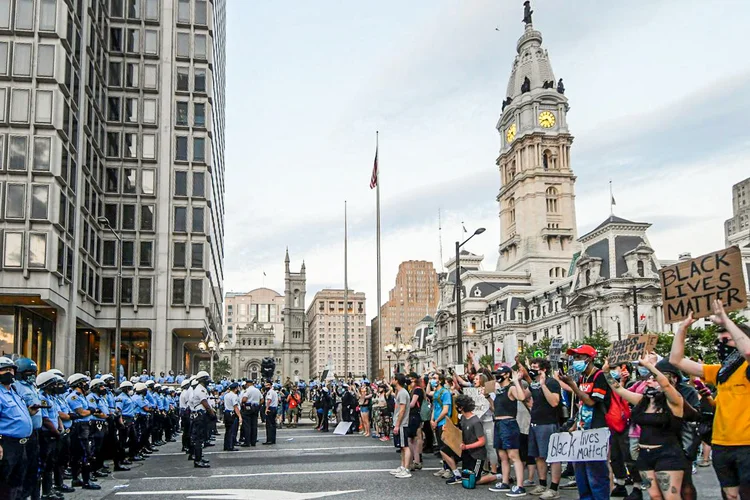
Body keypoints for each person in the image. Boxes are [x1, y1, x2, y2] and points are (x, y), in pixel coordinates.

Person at [670, 303, 750, 500]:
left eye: (727, 340)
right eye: (719, 340)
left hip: (747, 444)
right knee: (730, 496)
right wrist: (682, 328)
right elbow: (676, 360)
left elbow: (748, 352)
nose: (721, 345)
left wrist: (726, 320)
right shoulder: (720, 371)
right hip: (722, 444)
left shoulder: (747, 368)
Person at [603, 354, 686, 500]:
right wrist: (606, 372)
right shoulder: (644, 401)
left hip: (667, 454)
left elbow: (665, 385)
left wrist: (648, 365)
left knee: (671, 497)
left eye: (654, 379)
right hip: (645, 456)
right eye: (649, 379)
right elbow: (620, 390)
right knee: (654, 496)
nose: (649, 381)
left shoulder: (675, 401)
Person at [559, 345, 611, 500]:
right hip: (582, 431)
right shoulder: (583, 378)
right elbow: (582, 406)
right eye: (574, 357)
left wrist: (572, 386)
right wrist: (575, 425)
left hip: (596, 431)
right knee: (581, 475)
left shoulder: (600, 376)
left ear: (589, 359)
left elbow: (590, 401)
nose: (575, 361)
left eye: (579, 357)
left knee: (596, 475)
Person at [488, 366, 528, 497]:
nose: (497, 376)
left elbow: (522, 397)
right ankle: (505, 482)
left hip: (509, 423)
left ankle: (520, 486)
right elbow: (495, 409)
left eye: (499, 374)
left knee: (513, 455)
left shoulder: (511, 388)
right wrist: (488, 397)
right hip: (498, 423)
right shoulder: (500, 390)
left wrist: (516, 381)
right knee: (502, 456)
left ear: (506, 375)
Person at [441, 394, 496, 486]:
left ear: (461, 407)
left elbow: (482, 442)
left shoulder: (475, 421)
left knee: (473, 481)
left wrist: (466, 446)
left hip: (476, 455)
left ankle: (497, 476)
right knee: (444, 451)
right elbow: (459, 432)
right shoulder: (463, 418)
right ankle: (456, 474)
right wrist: (447, 429)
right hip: (466, 452)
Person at [0, 357, 33, 499]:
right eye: (4, 370)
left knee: (18, 481)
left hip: (22, 444)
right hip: (7, 444)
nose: (9, 373)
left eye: (11, 369)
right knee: (4, 483)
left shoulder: (14, 391)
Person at [13, 357, 43, 500]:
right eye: (28, 372)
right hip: (23, 435)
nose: (31, 375)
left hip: (36, 432)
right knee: (23, 469)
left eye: (33, 372)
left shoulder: (32, 387)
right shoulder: (16, 386)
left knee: (34, 467)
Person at [66, 373, 101, 490]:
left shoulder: (82, 396)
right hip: (80, 427)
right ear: (78, 384)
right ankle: (86, 481)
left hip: (84, 425)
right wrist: (91, 411)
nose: (86, 385)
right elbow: (82, 412)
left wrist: (90, 411)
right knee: (85, 453)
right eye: (84, 382)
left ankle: (77, 479)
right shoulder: (74, 397)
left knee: (80, 454)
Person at [189, 371, 214, 468]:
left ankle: (199, 457)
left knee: (201, 438)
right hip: (200, 416)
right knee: (199, 439)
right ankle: (198, 460)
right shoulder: (200, 390)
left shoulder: (202, 389)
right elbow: (204, 402)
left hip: (201, 415)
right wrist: (211, 413)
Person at [389, 373, 412, 478]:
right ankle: (403, 467)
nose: (392, 380)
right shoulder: (400, 392)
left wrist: (398, 425)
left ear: (397, 380)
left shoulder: (402, 393)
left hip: (402, 423)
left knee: (405, 446)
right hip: (399, 423)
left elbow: (402, 410)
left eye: (393, 379)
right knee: (402, 447)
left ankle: (406, 469)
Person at [240, 380, 262, 446]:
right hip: (255, 407)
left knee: (247, 425)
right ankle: (253, 441)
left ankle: (247, 441)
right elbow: (262, 399)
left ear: (248, 384)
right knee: (254, 425)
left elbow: (244, 399)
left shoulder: (248, 390)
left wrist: (242, 404)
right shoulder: (257, 390)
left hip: (248, 408)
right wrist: (258, 405)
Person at [223, 383, 241, 451]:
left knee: (227, 430)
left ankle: (226, 445)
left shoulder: (226, 395)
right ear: (236, 389)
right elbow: (235, 406)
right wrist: (239, 416)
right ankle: (230, 446)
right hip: (232, 413)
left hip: (226, 412)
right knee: (232, 430)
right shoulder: (234, 396)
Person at [263, 380, 278, 445]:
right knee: (273, 424)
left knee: (269, 425)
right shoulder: (274, 392)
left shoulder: (270, 392)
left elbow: (269, 400)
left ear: (271, 385)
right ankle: (273, 439)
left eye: (268, 385)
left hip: (270, 408)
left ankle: (269, 440)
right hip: (274, 408)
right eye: (266, 385)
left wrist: (266, 409)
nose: (266, 386)